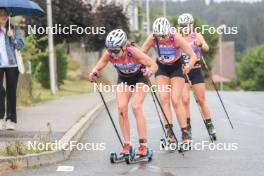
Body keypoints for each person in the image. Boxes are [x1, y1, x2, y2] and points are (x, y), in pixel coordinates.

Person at [88, 29, 158, 156]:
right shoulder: (109, 53)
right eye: (110, 50)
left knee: (136, 107)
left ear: (125, 46)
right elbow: (99, 66)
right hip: (124, 79)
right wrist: (94, 73)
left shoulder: (134, 52)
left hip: (140, 78)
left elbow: (153, 65)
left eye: (116, 51)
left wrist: (150, 71)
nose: (113, 54)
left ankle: (143, 146)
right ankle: (127, 145)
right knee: (121, 108)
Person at [141, 17, 198, 144]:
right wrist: (145, 67)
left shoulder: (176, 37)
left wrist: (189, 66)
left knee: (176, 100)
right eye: (159, 36)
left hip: (177, 68)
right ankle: (170, 132)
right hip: (162, 68)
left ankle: (185, 132)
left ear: (168, 31)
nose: (161, 38)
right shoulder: (152, 38)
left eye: (164, 35)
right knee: (164, 99)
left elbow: (193, 56)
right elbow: (141, 54)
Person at [178, 13, 216, 139]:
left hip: (196, 70)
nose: (184, 28)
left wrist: (200, 44)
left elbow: (206, 48)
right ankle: (187, 127)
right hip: (183, 72)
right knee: (184, 99)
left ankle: (209, 124)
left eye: (186, 25)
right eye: (182, 26)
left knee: (201, 100)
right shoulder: (177, 37)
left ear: (191, 25)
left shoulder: (196, 35)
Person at [0, 8, 24, 130]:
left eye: (6, 14)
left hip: (12, 65)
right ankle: (0, 118)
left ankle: (10, 120)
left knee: (11, 92)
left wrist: (12, 37)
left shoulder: (14, 29)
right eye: (1, 14)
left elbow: (21, 45)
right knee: (0, 91)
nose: (4, 16)